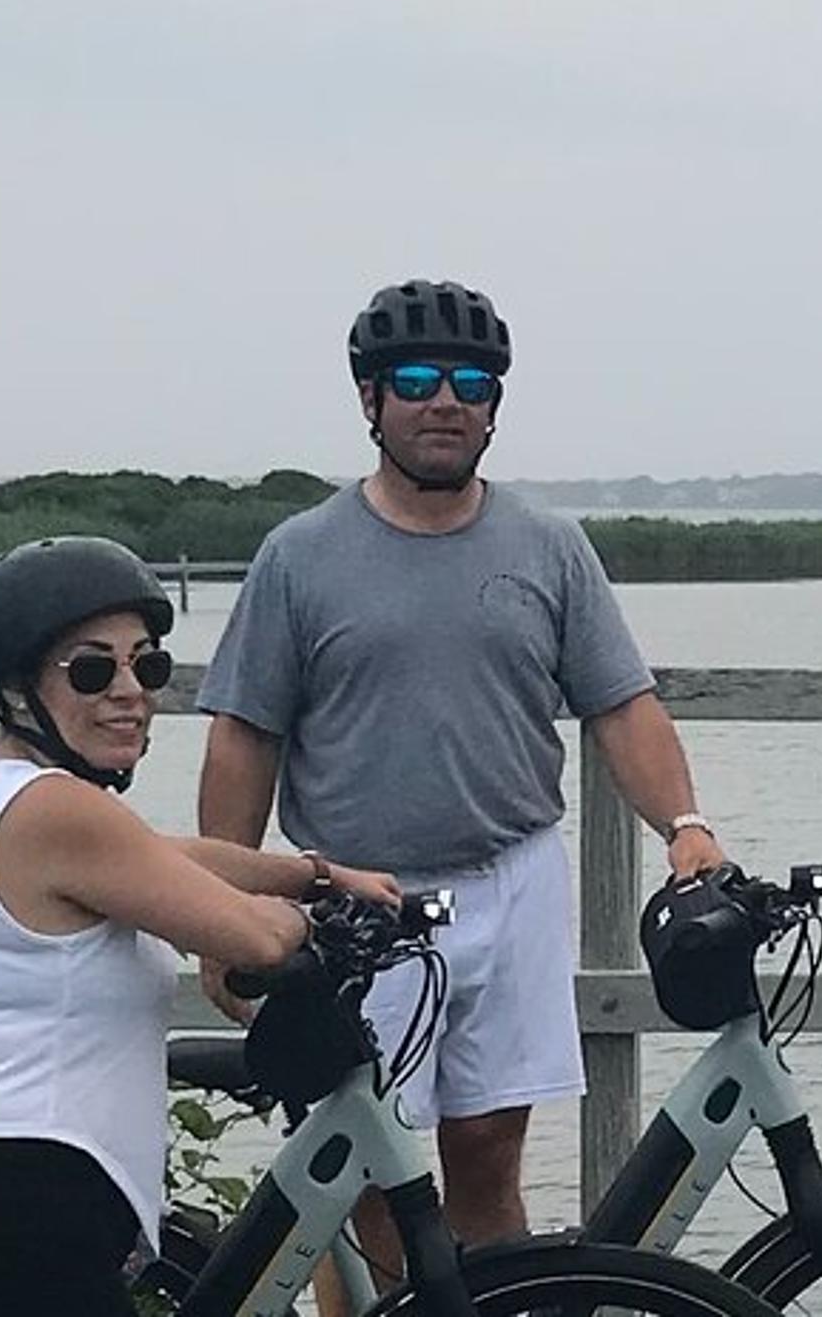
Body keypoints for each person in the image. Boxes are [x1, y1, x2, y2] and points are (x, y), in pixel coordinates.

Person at [196, 279, 727, 1287]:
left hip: (511, 880)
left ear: (492, 404)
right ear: (369, 400)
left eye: (469, 381)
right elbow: (243, 737)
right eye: (415, 379)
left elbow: (621, 706)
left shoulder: (547, 547)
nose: (443, 400)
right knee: (359, 1168)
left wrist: (685, 826)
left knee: (487, 1153)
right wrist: (225, 905)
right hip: (356, 899)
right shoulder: (298, 557)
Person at [0, 535, 399, 1317]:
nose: (130, 689)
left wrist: (316, 874)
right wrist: (312, 924)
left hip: (5, 1198)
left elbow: (167, 856)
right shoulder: (56, 810)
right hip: (10, 1220)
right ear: (17, 689)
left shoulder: (7, 792)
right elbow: (251, 937)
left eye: (146, 664)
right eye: (93, 669)